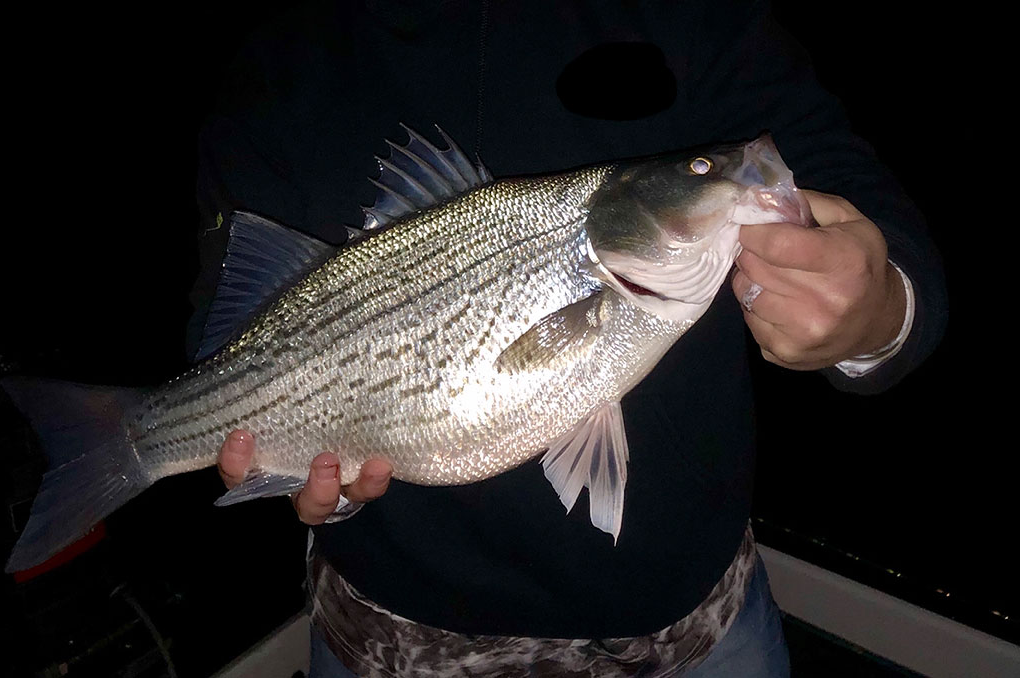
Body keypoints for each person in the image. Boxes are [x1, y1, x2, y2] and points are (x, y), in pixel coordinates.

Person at [194, 3, 947, 676]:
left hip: (694, 627)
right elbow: (233, 323)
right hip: (391, 637)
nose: (732, 164)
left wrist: (879, 308)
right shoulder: (280, 62)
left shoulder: (691, 14)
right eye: (701, 165)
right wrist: (302, 465)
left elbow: (850, 185)